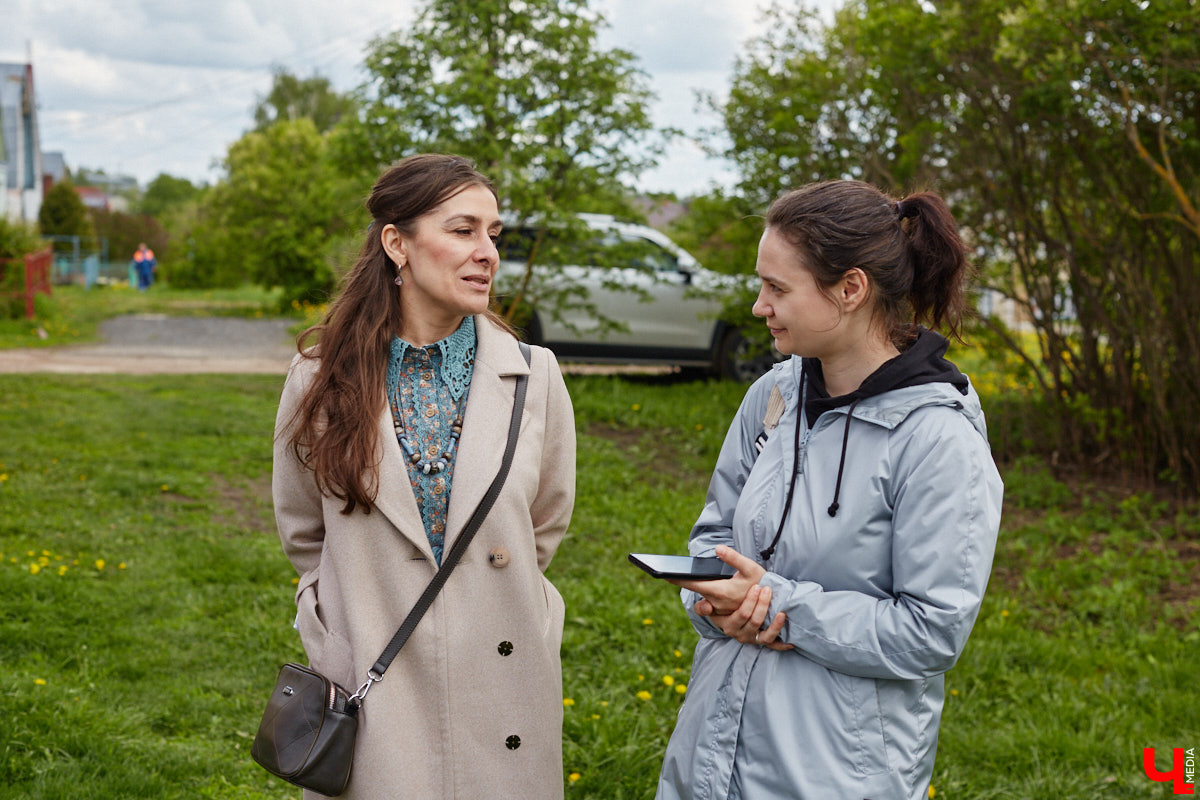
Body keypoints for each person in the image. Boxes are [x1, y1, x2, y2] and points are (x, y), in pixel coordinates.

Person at [655, 180, 1003, 800]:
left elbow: (930, 633)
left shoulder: (938, 439)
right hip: (709, 755)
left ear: (850, 289)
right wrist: (711, 600)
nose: (759, 306)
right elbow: (715, 535)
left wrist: (777, 607)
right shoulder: (773, 395)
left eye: (777, 288)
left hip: (835, 773)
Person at [271, 154, 576, 799]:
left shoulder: (535, 375)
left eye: (494, 234)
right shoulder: (319, 378)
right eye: (463, 230)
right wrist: (334, 620)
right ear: (397, 244)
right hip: (373, 674)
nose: (488, 253)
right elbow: (303, 531)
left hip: (502, 673)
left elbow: (544, 525)